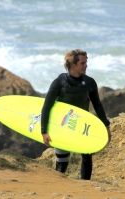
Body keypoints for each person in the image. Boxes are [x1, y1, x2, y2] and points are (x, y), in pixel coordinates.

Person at [41, 49, 111, 180]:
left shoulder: (90, 82)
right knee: (62, 165)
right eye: (82, 63)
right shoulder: (60, 82)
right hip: (62, 125)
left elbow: (97, 105)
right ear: (73, 64)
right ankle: (58, 187)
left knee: (87, 155)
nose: (86, 66)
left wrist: (106, 126)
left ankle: (85, 186)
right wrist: (44, 131)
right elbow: (46, 107)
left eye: (86, 62)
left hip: (82, 125)